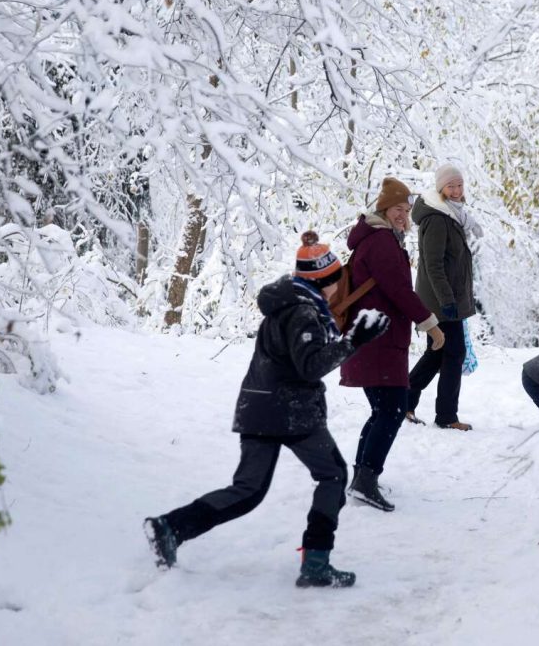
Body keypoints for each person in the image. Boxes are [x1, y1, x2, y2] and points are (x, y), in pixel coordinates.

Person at [143, 231, 390, 588]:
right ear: (327, 281)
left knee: (248, 490)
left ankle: (170, 527)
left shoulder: (287, 304)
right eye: (338, 278)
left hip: (258, 407)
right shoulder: (304, 311)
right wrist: (354, 341)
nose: (341, 285)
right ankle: (316, 563)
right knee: (333, 475)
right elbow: (310, 365)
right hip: (289, 412)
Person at [340, 177, 446, 512]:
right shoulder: (382, 242)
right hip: (378, 341)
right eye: (398, 209)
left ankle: (362, 477)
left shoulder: (374, 239)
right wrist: (431, 325)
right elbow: (400, 291)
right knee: (393, 409)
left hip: (373, 339)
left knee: (383, 410)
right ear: (384, 209)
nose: (403, 215)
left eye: (406, 209)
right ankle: (365, 480)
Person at [405, 164, 482, 431]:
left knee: (438, 353)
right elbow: (433, 263)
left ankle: (405, 401)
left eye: (460, 185)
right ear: (441, 188)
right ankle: (446, 416)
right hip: (440, 300)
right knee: (453, 353)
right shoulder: (438, 218)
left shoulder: (451, 215)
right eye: (451, 186)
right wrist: (447, 300)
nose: (457, 191)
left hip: (443, 298)